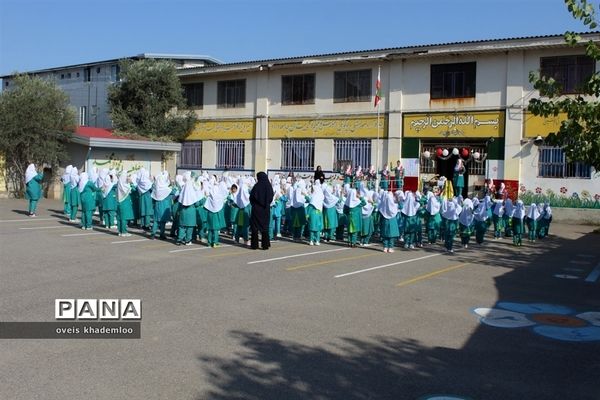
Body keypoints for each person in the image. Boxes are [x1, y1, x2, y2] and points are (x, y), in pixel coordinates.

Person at [250, 171, 274, 250]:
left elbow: (252, 197)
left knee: (255, 228)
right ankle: (265, 245)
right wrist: (266, 203)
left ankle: (254, 245)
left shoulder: (256, 186)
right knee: (265, 227)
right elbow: (271, 197)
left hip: (256, 210)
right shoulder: (268, 186)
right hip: (265, 209)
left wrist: (255, 204)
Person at [177, 172, 198, 246]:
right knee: (190, 227)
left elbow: (180, 201)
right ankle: (187, 240)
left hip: (183, 211)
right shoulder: (193, 192)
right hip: (191, 212)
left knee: (182, 226)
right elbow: (197, 203)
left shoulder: (183, 191)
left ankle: (179, 239)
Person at [151, 172, 173, 240]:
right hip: (164, 205)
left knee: (156, 220)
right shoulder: (166, 189)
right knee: (163, 221)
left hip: (157, 205)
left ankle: (153, 234)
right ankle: (162, 234)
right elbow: (173, 192)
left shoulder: (156, 188)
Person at [305, 181, 324, 246]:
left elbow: (310, 207)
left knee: (312, 228)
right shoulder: (320, 196)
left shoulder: (313, 197)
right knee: (317, 228)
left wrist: (307, 215)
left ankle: (311, 240)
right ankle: (317, 241)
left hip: (312, 214)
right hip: (318, 213)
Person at [234, 177, 251, 245]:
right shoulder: (244, 188)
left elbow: (236, 202)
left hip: (240, 211)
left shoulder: (239, 190)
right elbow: (247, 199)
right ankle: (246, 240)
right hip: (245, 210)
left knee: (239, 226)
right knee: (245, 226)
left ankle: (236, 239)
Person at [116, 171, 134, 237]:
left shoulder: (120, 184)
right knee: (124, 218)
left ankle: (120, 231)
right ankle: (124, 232)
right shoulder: (126, 186)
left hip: (119, 202)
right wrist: (131, 182)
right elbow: (134, 189)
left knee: (120, 217)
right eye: (126, 176)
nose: (127, 178)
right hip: (125, 202)